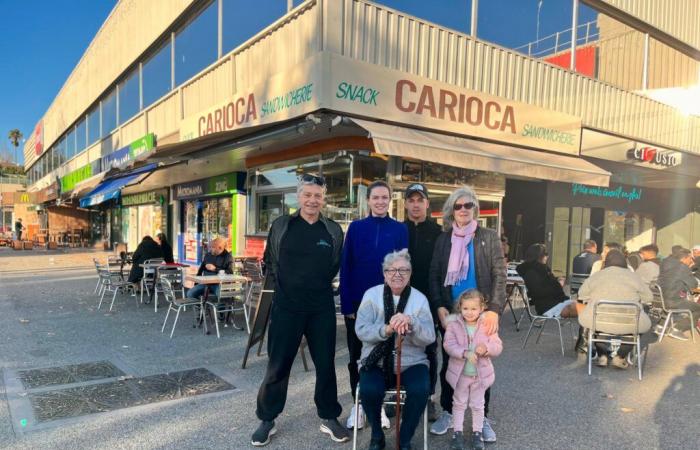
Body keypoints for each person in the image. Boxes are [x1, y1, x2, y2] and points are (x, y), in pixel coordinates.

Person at [253, 174, 349, 446]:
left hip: (320, 307)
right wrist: (285, 289)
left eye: (317, 195)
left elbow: (334, 265)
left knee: (326, 364)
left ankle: (329, 416)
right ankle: (267, 418)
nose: (312, 200)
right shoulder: (282, 225)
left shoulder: (332, 230)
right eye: (307, 195)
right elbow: (270, 261)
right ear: (299, 197)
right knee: (278, 365)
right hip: (286, 306)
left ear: (323, 198)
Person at [428, 186, 505, 441]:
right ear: (451, 210)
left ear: (475, 209)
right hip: (452, 312)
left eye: (468, 205)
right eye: (458, 206)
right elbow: (435, 274)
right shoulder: (444, 239)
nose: (463, 210)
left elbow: (499, 275)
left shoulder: (489, 237)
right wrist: (439, 305)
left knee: (481, 362)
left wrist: (493, 309)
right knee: (452, 360)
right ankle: (450, 411)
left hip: (482, 312)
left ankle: (482, 419)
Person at [340, 180, 408, 430]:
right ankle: (358, 405)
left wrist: (401, 304)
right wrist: (347, 304)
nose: (380, 201)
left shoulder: (399, 229)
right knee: (356, 356)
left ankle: (376, 405)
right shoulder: (356, 229)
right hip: (359, 305)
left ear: (390, 200)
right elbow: (345, 267)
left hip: (389, 304)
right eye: (376, 197)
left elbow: (403, 269)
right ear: (368, 200)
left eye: (384, 197)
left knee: (383, 356)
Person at [355, 249, 435, 450]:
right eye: (391, 270)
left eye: (403, 270)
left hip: (411, 360)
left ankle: (405, 437)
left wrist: (412, 322)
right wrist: (387, 329)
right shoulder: (371, 295)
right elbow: (361, 330)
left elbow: (430, 337)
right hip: (376, 360)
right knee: (369, 389)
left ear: (410, 274)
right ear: (384, 273)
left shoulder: (420, 299)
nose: (397, 274)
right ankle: (376, 435)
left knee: (420, 389)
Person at [443, 290, 502, 450]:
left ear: (482, 308)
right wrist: (464, 353)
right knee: (459, 403)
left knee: (478, 404)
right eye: (465, 308)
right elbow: (448, 345)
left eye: (474, 309)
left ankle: (477, 432)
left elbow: (497, 346)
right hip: (460, 375)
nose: (469, 312)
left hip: (480, 375)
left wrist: (487, 348)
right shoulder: (453, 325)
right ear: (460, 308)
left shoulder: (487, 325)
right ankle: (457, 433)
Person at [403, 183, 442, 421]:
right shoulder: (397, 230)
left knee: (429, 349)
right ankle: (397, 394)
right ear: (406, 203)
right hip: (401, 299)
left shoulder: (439, 233)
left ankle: (427, 398)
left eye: (420, 200)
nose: (416, 204)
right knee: (397, 345)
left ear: (427, 203)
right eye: (411, 200)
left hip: (428, 301)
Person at [577, 249, 652, 369]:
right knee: (639, 325)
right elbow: (649, 297)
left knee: (596, 326)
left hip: (600, 320)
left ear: (606, 262)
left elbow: (581, 294)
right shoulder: (634, 277)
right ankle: (620, 356)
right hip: (628, 322)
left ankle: (602, 356)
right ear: (624, 262)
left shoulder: (597, 276)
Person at [516, 244, 580, 318]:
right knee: (583, 309)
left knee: (587, 308)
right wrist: (558, 284)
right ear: (538, 256)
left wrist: (556, 281)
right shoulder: (531, 272)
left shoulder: (543, 269)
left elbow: (546, 283)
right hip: (547, 307)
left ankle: (586, 328)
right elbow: (539, 292)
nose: (547, 256)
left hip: (556, 303)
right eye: (545, 254)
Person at [656, 247, 700, 341]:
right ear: (684, 258)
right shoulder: (682, 267)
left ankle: (660, 327)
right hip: (673, 301)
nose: (691, 260)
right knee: (698, 308)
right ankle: (677, 329)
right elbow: (693, 287)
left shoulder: (666, 265)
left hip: (660, 300)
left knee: (671, 301)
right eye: (690, 258)